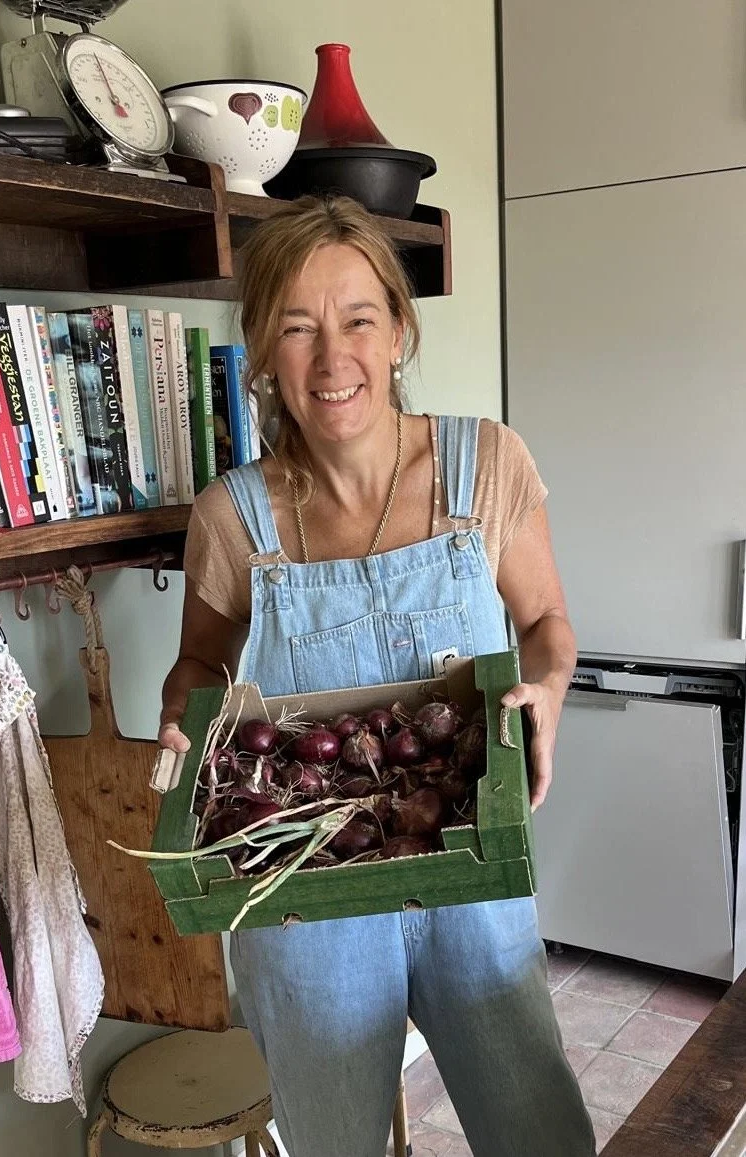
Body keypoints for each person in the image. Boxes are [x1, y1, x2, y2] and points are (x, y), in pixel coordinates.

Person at [158, 195, 596, 1157]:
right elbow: (199, 660)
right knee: (332, 1142)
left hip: (470, 864)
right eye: (297, 328)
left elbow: (545, 623)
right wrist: (183, 719)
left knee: (538, 1131)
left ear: (398, 329)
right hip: (307, 896)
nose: (332, 358)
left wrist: (549, 694)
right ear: (265, 350)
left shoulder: (485, 464)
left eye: (358, 319)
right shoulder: (234, 517)